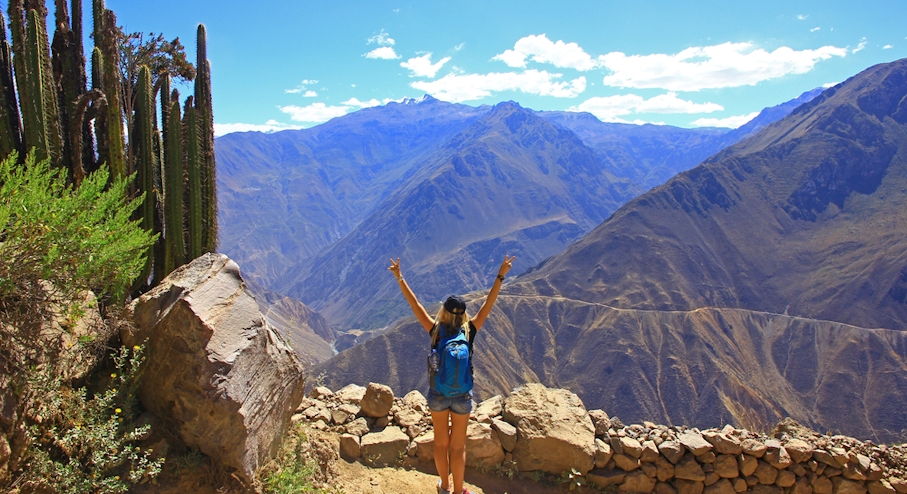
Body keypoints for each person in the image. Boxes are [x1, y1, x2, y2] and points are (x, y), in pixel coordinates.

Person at [388, 255, 515, 494]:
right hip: (462, 396)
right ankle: (459, 491)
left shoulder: (436, 331)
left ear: (444, 313)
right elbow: (490, 302)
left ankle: (444, 487)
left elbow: (415, 305)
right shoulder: (470, 330)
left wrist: (399, 277)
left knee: (440, 443)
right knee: (458, 447)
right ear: (464, 315)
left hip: (438, 393)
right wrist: (500, 275)